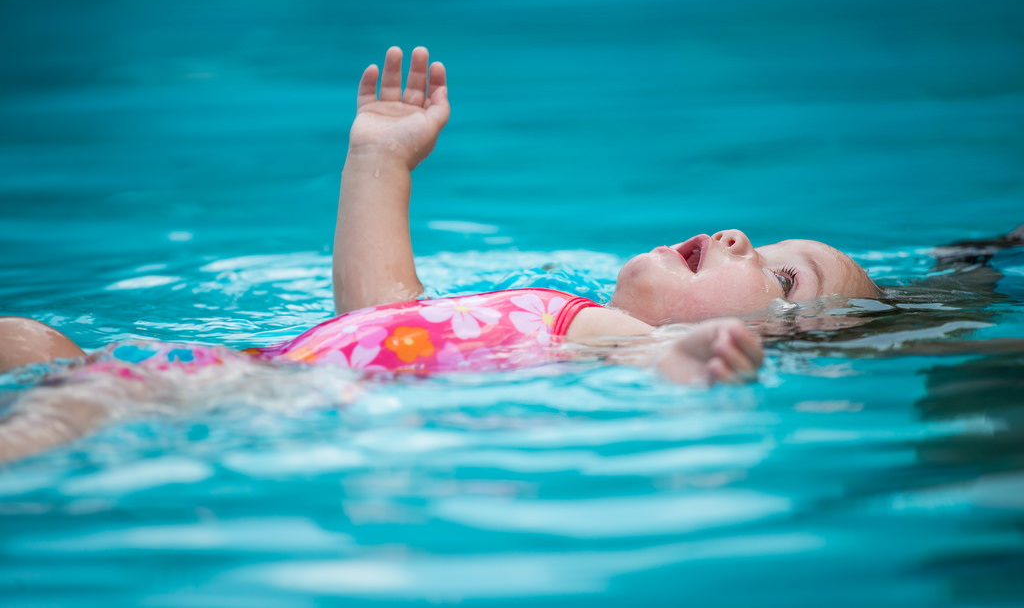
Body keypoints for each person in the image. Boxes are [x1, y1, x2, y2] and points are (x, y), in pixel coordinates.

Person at [0, 47, 883, 462]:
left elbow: (658, 360)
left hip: (253, 398)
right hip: (235, 368)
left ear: (769, 334)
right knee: (28, 345)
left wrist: (694, 361)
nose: (739, 234)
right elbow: (378, 315)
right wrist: (378, 158)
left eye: (777, 274)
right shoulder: (552, 312)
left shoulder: (616, 338)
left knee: (59, 411)